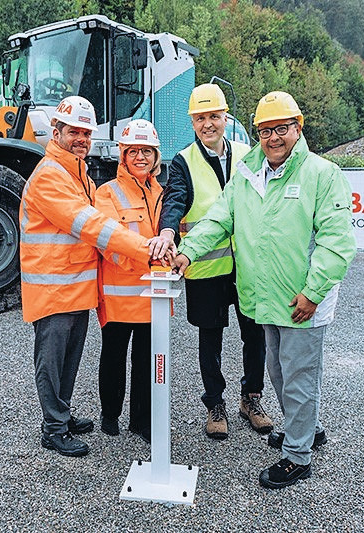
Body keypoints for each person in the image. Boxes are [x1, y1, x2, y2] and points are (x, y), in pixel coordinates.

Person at [173, 91, 356, 488]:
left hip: (301, 302)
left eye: (282, 129)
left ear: (298, 127)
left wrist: (313, 292)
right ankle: (307, 429)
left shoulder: (321, 175)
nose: (274, 138)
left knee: (299, 377)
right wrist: (186, 251)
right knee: (278, 372)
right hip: (265, 299)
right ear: (256, 133)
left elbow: (336, 242)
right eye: (266, 130)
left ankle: (297, 456)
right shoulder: (248, 173)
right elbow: (219, 218)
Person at [19, 96, 157, 458]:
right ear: (57, 132)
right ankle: (53, 429)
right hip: (53, 289)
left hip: (74, 287)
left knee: (68, 360)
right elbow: (92, 225)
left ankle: (61, 415)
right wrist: (145, 251)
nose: (80, 138)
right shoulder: (51, 175)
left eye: (85, 133)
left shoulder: (75, 172)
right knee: (51, 362)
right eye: (74, 131)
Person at [150, 83, 270, 440]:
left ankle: (251, 398)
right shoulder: (184, 160)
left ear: (225, 117)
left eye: (214, 116)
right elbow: (175, 201)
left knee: (255, 334)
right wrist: (168, 233)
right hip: (204, 266)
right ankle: (214, 403)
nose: (208, 124)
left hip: (248, 264)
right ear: (192, 122)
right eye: (200, 118)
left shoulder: (250, 154)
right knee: (210, 338)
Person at [94, 119, 165, 444]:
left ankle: (142, 420)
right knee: (113, 356)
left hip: (154, 295)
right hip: (120, 293)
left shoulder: (161, 193)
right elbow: (109, 242)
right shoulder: (106, 193)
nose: (140, 157)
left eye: (146, 152)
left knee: (147, 362)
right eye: (133, 151)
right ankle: (110, 415)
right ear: (123, 155)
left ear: (155, 156)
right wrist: (150, 256)